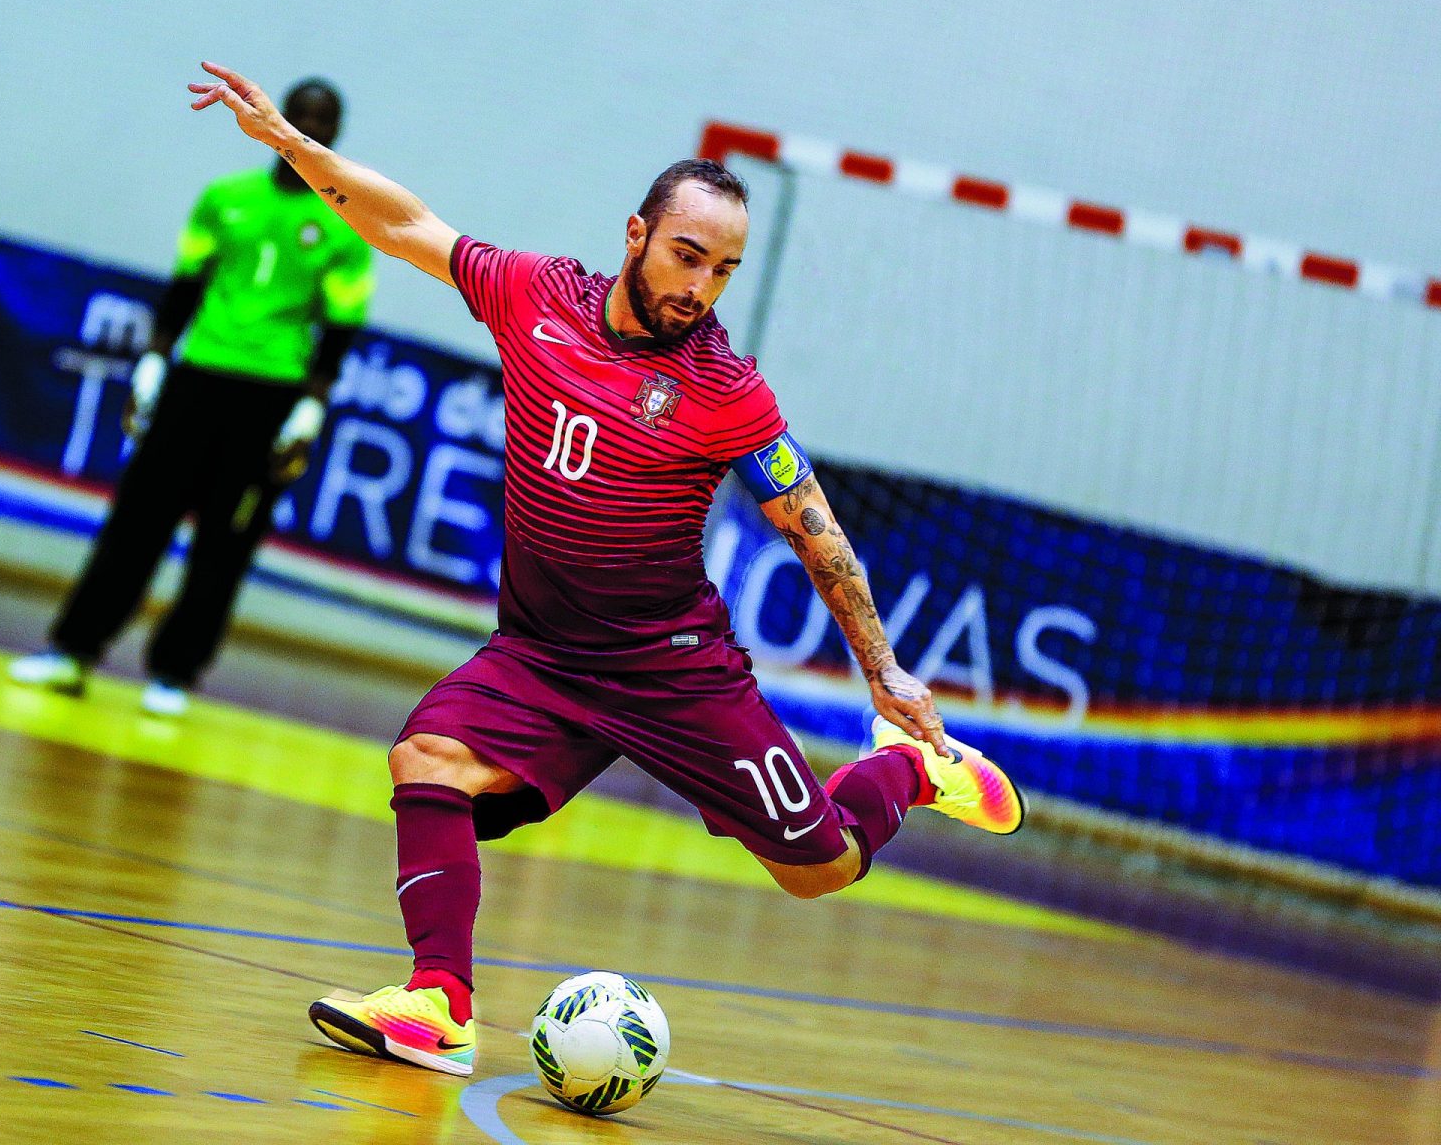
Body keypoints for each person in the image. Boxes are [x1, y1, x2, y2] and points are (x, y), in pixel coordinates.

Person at [188, 62, 1025, 1076]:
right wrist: (290, 143)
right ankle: (440, 1000)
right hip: (542, 654)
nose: (700, 288)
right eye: (686, 256)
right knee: (427, 757)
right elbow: (406, 223)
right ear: (635, 235)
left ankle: (911, 767)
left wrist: (885, 673)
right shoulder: (534, 296)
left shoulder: (725, 388)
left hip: (672, 669)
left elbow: (816, 527)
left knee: (821, 867)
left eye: (723, 270)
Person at [10, 78, 375, 715]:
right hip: (198, 377)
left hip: (271, 393)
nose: (311, 129)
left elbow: (340, 329)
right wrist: (154, 358)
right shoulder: (225, 197)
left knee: (225, 542)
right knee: (138, 519)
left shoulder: (346, 225)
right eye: (303, 116)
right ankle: (72, 650)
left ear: (335, 135)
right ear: (280, 119)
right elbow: (185, 283)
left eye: (325, 122)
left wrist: (312, 405)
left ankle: (174, 673)